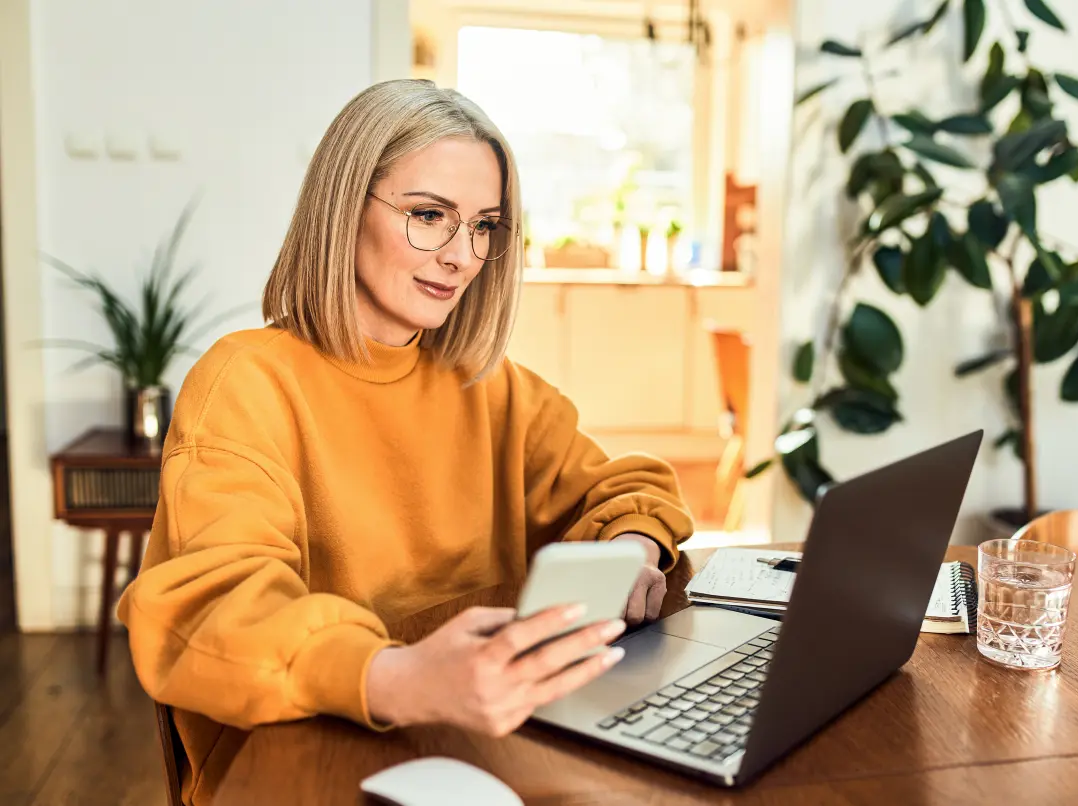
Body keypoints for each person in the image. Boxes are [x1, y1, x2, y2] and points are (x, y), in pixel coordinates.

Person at [117, 79, 695, 805]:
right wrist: (400, 677)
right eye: (429, 215)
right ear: (342, 207)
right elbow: (214, 614)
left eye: (484, 225)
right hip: (308, 758)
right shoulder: (243, 383)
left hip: (481, 746)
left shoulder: (488, 385)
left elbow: (627, 489)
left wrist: (635, 547)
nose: (461, 255)